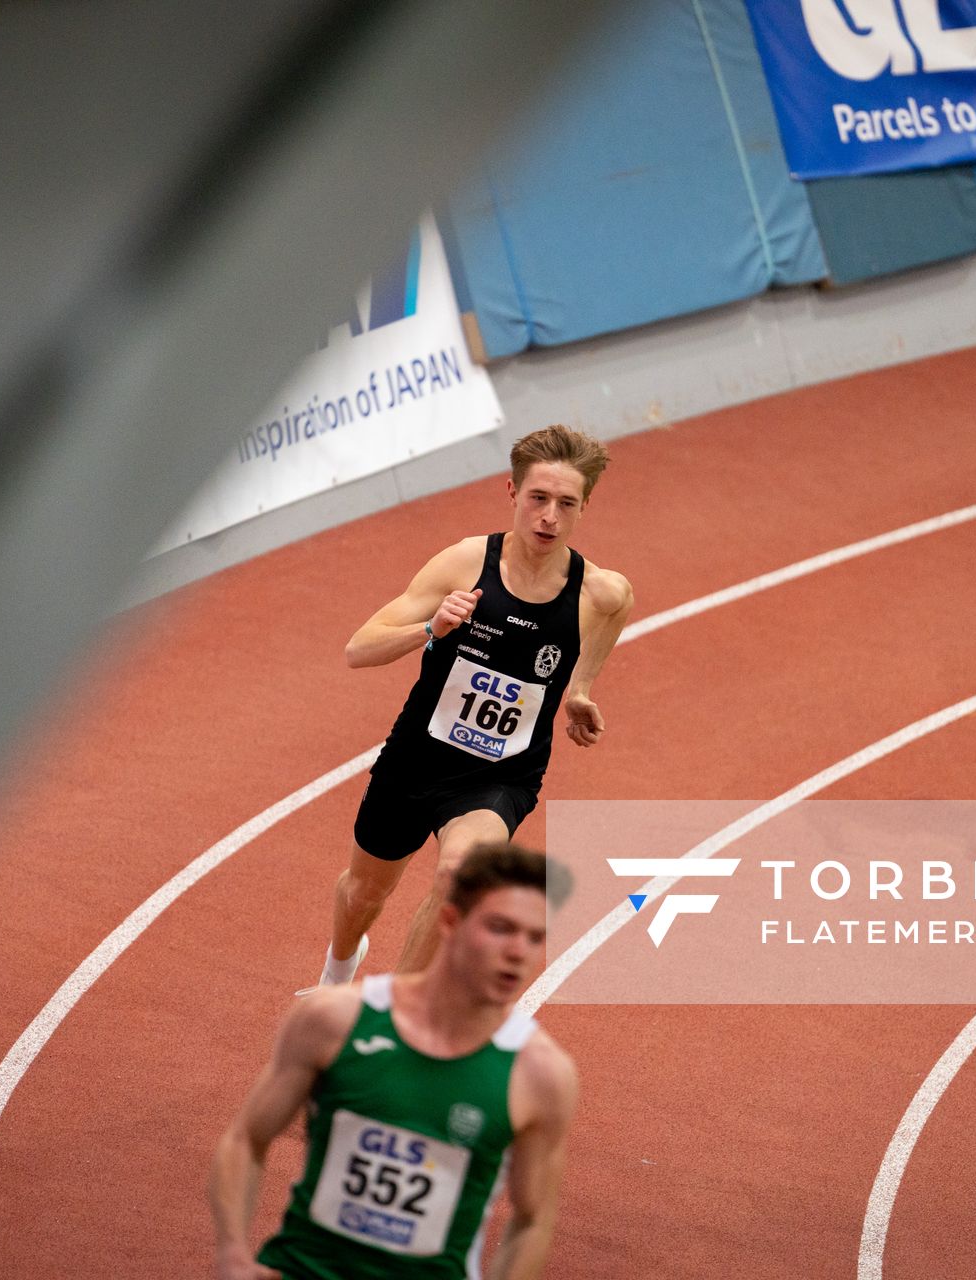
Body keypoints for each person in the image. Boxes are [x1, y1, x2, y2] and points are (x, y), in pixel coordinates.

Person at [307, 425, 632, 987]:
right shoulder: (465, 564)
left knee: (461, 873)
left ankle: (390, 1016)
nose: (549, 516)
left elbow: (613, 617)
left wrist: (580, 690)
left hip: (499, 776)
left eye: (565, 503)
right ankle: (340, 969)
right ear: (512, 493)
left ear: (585, 507)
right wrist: (430, 630)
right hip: (415, 759)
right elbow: (359, 648)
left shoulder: (599, 591)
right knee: (363, 892)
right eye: (538, 498)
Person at [210, 843, 578, 1280]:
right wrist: (233, 1255)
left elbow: (533, 1219)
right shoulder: (334, 1020)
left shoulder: (539, 1074)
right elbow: (246, 1139)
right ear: (450, 921)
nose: (519, 952)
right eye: (501, 928)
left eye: (535, 937)